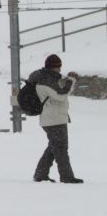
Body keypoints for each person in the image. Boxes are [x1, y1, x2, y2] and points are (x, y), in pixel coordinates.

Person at [30, 54, 82, 184]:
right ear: (53, 67)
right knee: (61, 148)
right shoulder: (46, 80)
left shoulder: (46, 78)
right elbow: (61, 95)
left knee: (54, 147)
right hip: (54, 119)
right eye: (58, 67)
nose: (60, 69)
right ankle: (66, 176)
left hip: (52, 118)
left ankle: (40, 174)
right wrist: (71, 81)